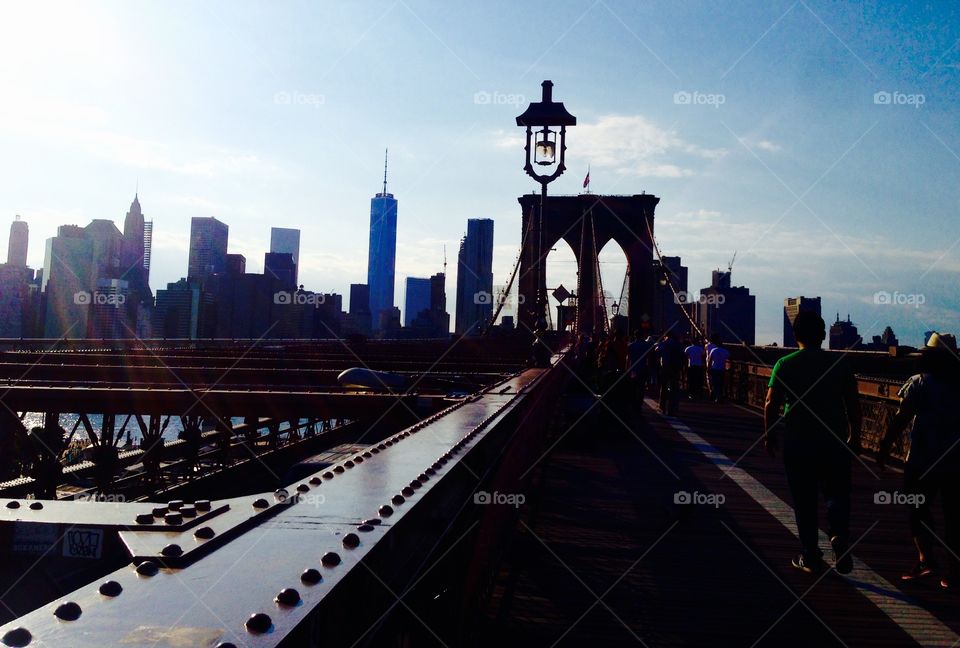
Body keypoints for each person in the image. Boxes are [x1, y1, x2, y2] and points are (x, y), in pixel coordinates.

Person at [763, 311, 862, 574]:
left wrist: (769, 434)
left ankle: (810, 554)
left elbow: (771, 403)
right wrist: (856, 436)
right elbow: (853, 404)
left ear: (795, 336)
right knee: (837, 493)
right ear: (823, 335)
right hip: (834, 441)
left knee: (804, 499)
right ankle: (838, 535)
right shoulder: (840, 363)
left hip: (799, 442)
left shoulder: (785, 363)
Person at [877, 332, 960, 589]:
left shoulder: (918, 383)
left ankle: (926, 559)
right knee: (954, 516)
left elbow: (902, 417)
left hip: (922, 459)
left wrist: (885, 445)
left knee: (917, 510)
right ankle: (955, 571)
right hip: (955, 462)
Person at [655, 330, 684, 415]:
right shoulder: (678, 344)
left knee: (664, 387)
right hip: (675, 368)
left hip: (665, 367)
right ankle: (672, 409)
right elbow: (682, 355)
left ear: (665, 335)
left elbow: (657, 351)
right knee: (674, 389)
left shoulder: (663, 344)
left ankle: (662, 407)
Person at [627, 331, 653, 417]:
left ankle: (634, 405)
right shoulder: (646, 345)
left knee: (633, 388)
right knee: (641, 388)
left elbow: (628, 359)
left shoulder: (631, 345)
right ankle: (639, 405)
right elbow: (649, 358)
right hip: (643, 368)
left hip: (633, 369)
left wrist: (627, 370)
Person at [706, 336, 730, 402]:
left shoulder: (713, 350)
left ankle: (715, 396)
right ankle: (719, 397)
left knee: (715, 383)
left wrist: (708, 369)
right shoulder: (725, 351)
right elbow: (729, 359)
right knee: (721, 383)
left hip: (714, 368)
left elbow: (710, 360)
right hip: (722, 369)